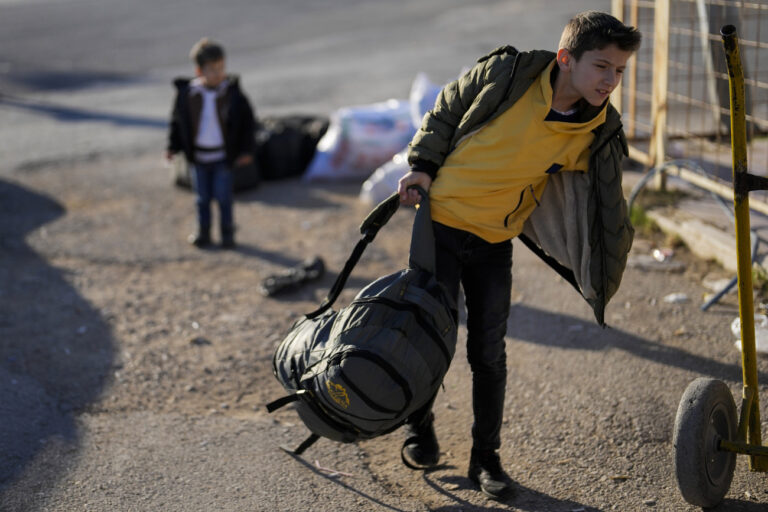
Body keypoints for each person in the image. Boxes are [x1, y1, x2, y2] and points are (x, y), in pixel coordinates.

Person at [396, 11, 641, 501]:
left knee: (488, 353)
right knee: (428, 338)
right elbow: (447, 108)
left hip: (493, 242)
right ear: (566, 59)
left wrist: (603, 265)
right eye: (601, 67)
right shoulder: (508, 77)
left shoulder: (598, 130)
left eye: (619, 71)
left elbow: (604, 203)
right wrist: (421, 166)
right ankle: (419, 430)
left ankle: (485, 459)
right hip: (439, 225)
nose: (610, 81)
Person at [166, 37, 256, 249]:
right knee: (202, 199)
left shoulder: (233, 94)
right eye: (212, 69)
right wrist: (173, 146)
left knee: (224, 198)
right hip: (199, 158)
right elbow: (178, 123)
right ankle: (203, 232)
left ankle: (227, 234)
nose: (218, 73)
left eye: (221, 68)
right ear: (199, 71)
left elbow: (247, 123)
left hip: (223, 158)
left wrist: (247, 150)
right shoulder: (188, 95)